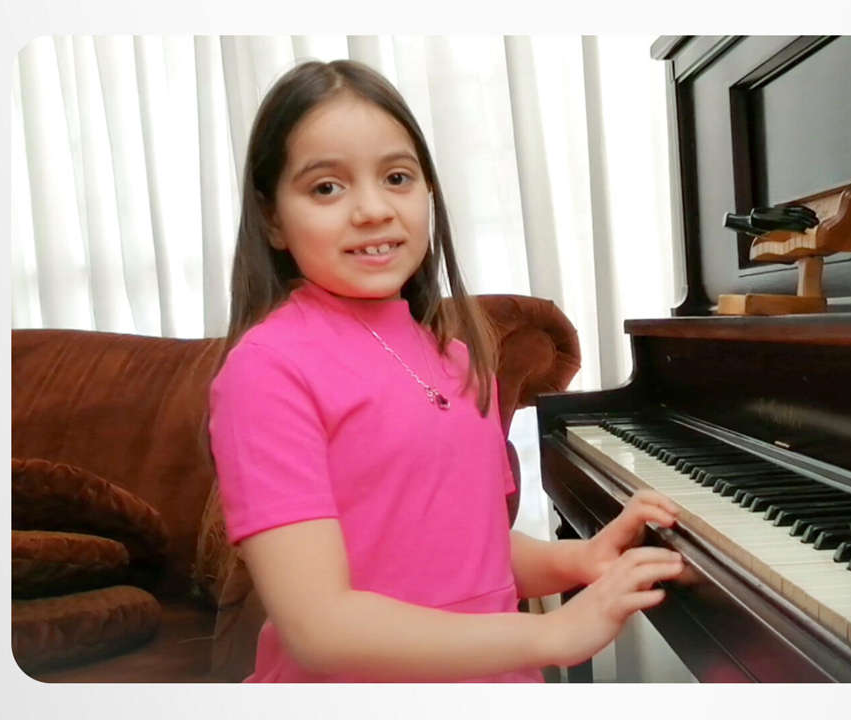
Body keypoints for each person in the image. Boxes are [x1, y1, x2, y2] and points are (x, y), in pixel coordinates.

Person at [206, 58, 684, 683]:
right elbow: (320, 627)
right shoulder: (267, 371)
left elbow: (469, 553)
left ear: (428, 192)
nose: (373, 209)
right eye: (326, 188)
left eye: (397, 178)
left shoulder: (456, 357)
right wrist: (552, 632)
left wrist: (580, 560)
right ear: (272, 216)